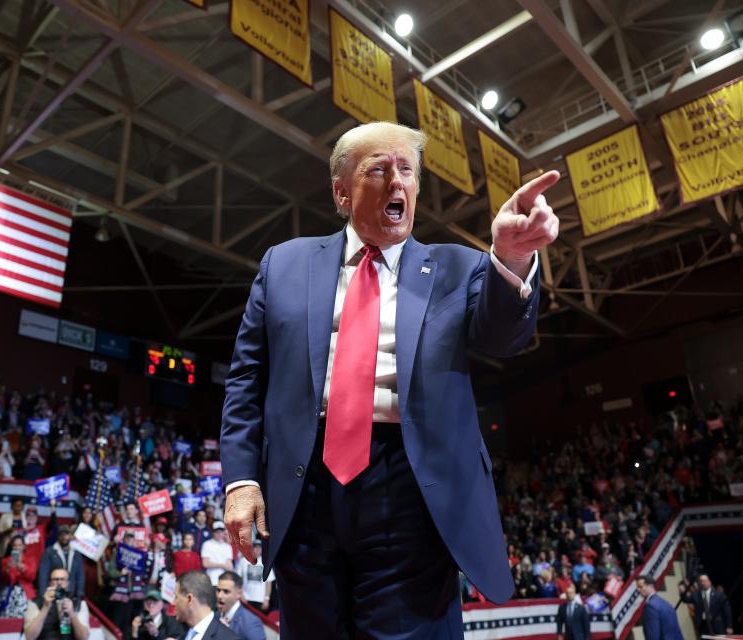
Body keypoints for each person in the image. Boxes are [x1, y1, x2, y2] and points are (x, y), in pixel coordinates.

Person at [221, 121, 559, 637]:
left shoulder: (459, 267)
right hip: (303, 486)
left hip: (411, 489)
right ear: (342, 192)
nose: (397, 181)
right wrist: (241, 481)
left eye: (406, 170)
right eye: (378, 169)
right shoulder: (283, 264)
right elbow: (247, 377)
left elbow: (501, 338)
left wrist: (511, 258)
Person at [23, 567, 90, 640]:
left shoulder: (79, 603)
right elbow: (29, 637)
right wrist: (45, 607)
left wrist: (72, 614)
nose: (59, 582)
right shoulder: (35, 603)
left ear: (68, 583)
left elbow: (84, 638)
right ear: (50, 582)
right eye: (56, 579)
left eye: (62, 579)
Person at [173, 570, 238, 640]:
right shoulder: (181, 634)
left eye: (176, 597)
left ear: (189, 599)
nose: (173, 602)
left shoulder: (227, 638)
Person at [37, 524, 85, 598]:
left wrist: (80, 593)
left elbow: (80, 575)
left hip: (71, 593)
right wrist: (43, 594)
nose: (64, 537)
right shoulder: (49, 552)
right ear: (58, 536)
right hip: (53, 593)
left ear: (70, 536)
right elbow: (43, 574)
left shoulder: (76, 553)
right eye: (61, 534)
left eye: (66, 534)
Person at [216, 571, 266, 640]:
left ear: (239, 594)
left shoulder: (250, 622)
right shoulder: (215, 616)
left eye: (226, 591)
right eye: (218, 590)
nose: (219, 596)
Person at [0, 535, 38, 618]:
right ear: (11, 547)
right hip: (9, 594)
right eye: (15, 545)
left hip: (25, 594)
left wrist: (22, 568)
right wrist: (7, 569)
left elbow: (32, 577)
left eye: (19, 545)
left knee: (27, 619)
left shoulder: (30, 559)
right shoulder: (5, 561)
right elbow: (3, 580)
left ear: (24, 547)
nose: (17, 548)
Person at [636, 575, 684, 640]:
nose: (638, 590)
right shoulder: (666, 604)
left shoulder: (650, 606)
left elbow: (653, 636)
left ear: (651, 586)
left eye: (640, 587)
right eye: (638, 587)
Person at [235, 540, 273, 611]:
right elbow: (237, 579)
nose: (258, 549)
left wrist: (267, 598)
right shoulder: (243, 561)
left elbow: (269, 582)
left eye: (260, 547)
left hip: (260, 600)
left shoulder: (266, 562)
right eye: (255, 547)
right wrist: (241, 595)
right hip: (246, 598)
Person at [201, 521, 234, 586]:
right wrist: (223, 565)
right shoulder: (207, 544)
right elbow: (205, 563)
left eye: (221, 531)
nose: (219, 534)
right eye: (217, 532)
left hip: (225, 580)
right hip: (211, 579)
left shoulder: (228, 547)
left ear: (223, 532)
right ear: (213, 532)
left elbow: (230, 566)